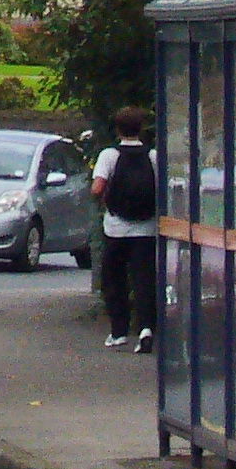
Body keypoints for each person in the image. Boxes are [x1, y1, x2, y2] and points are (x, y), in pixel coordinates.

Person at [91, 106, 160, 352]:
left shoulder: (109, 155)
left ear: (117, 129)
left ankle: (119, 331)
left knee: (114, 279)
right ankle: (146, 329)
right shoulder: (152, 156)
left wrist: (105, 200)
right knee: (144, 280)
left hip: (116, 230)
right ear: (141, 128)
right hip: (147, 229)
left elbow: (97, 188)